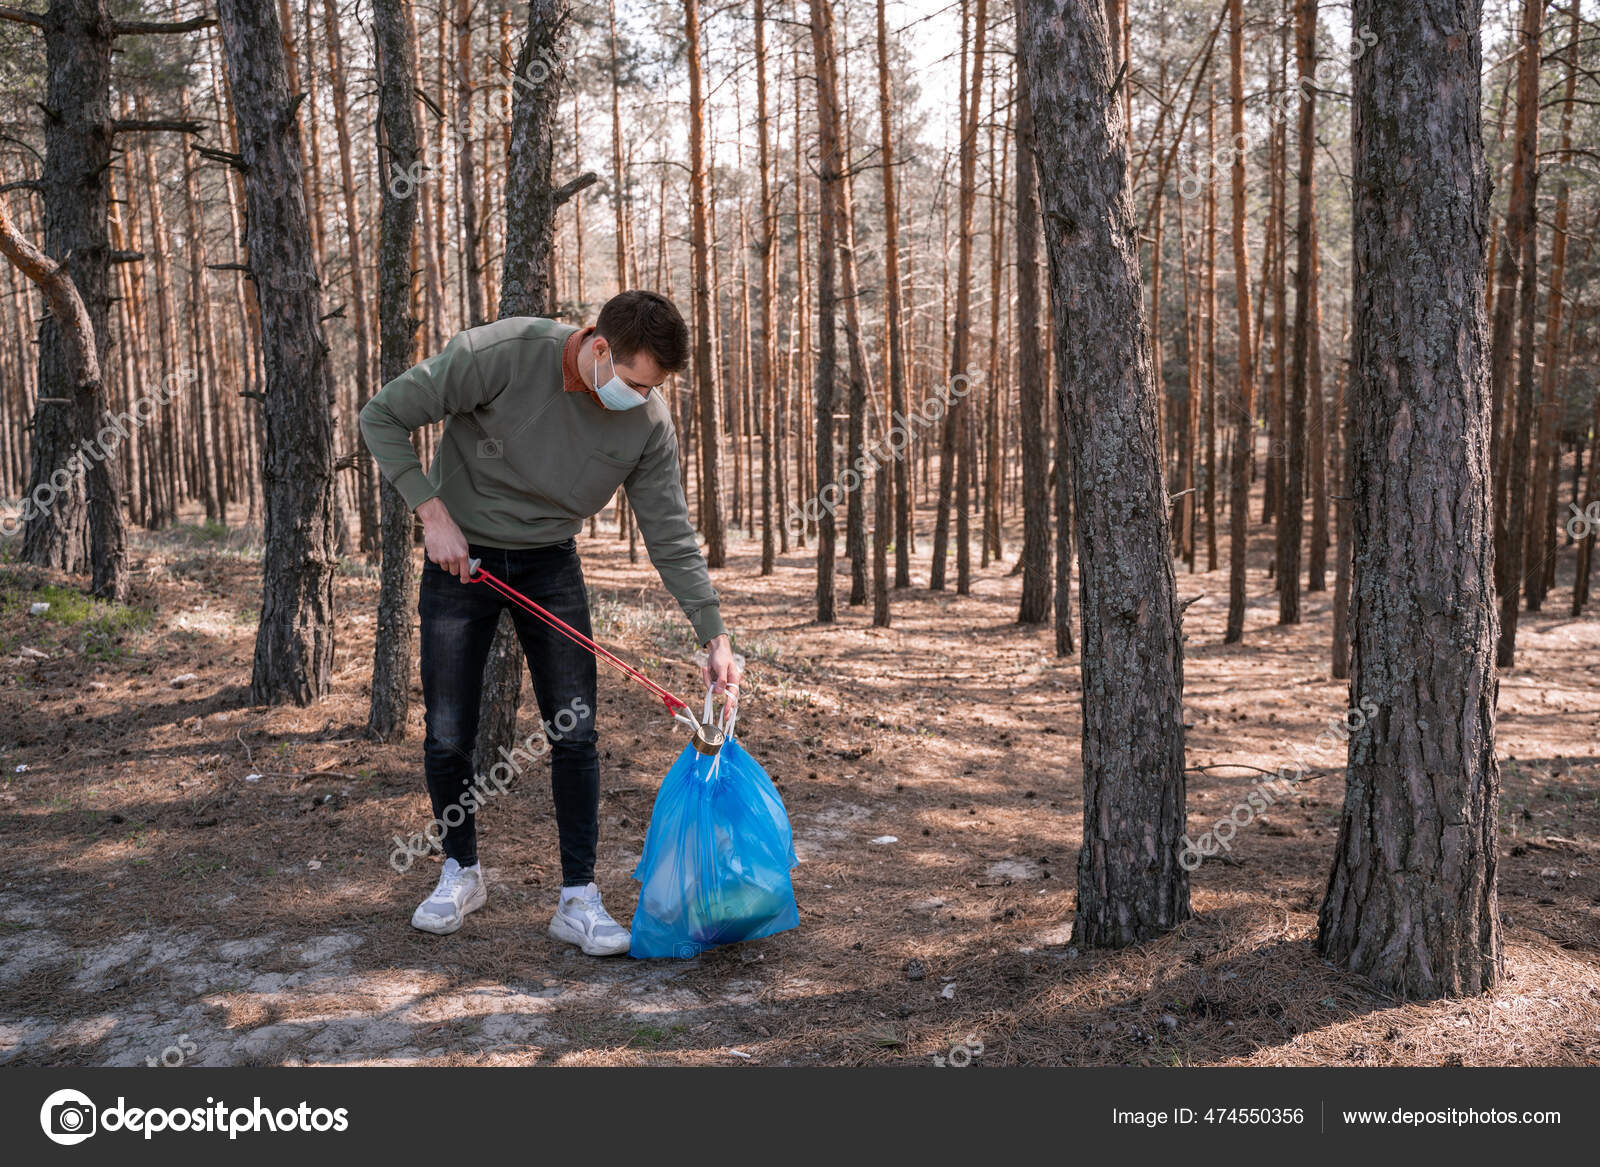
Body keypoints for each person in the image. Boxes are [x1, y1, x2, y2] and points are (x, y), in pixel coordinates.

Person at [360, 290, 741, 955]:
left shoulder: (646, 422)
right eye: (631, 381)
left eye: (652, 387)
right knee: (449, 729)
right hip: (462, 556)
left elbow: (670, 532)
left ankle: (577, 898)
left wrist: (714, 632)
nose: (640, 397)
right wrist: (431, 511)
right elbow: (382, 414)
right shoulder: (502, 353)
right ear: (599, 348)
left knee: (575, 728)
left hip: (549, 561)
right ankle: (461, 870)